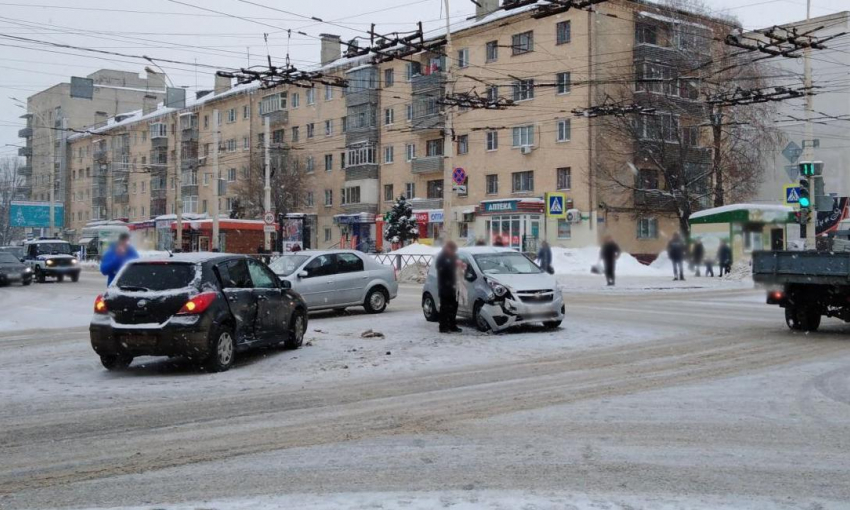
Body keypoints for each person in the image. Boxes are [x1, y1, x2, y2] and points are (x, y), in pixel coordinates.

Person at [435, 241, 462, 333]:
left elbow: (458, 267)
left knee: (453, 307)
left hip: (454, 286)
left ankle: (452, 325)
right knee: (444, 308)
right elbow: (441, 268)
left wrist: (461, 265)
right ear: (447, 248)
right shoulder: (441, 257)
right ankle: (443, 327)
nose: (453, 252)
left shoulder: (454, 256)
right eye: (452, 250)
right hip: (444, 286)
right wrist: (453, 265)